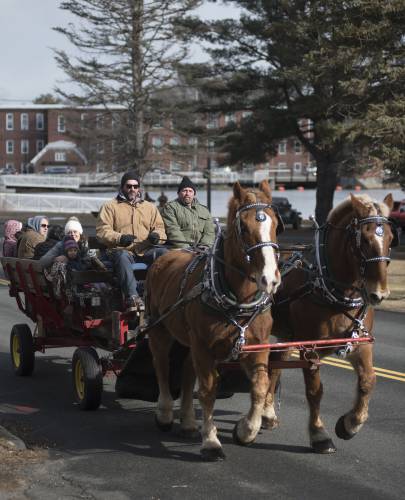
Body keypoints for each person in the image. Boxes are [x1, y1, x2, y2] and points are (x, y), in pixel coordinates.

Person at [96, 170, 167, 311]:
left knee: (164, 254)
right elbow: (102, 231)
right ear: (122, 187)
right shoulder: (110, 206)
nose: (132, 189)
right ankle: (133, 298)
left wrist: (157, 236)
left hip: (145, 251)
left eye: (135, 186)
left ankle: (162, 294)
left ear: (139, 188)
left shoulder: (150, 207)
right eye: (128, 186)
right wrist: (120, 238)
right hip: (121, 251)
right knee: (122, 256)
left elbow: (160, 229)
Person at [160, 176, 215, 249]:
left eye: (190, 191)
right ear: (178, 193)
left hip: (201, 250)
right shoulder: (170, 208)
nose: (187, 193)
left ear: (194, 194)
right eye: (184, 190)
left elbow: (209, 232)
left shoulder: (204, 210)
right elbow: (173, 230)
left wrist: (204, 246)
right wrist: (186, 248)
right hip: (177, 249)